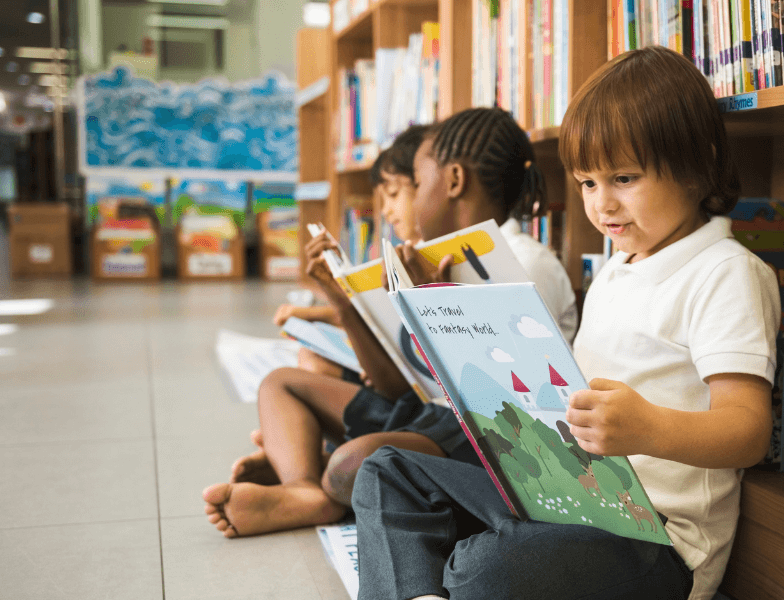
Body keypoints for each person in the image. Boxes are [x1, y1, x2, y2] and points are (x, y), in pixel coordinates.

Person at [350, 46, 779, 600]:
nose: (603, 206)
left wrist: (647, 427)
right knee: (387, 473)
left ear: (700, 163)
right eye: (587, 183)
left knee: (487, 568)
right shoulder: (616, 270)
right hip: (564, 498)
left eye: (623, 178)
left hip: (654, 541)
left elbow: (747, 429)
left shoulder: (726, 272)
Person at [202, 111, 576, 537]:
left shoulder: (525, 263)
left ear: (453, 181)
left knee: (352, 463)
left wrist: (435, 305)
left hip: (484, 438)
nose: (411, 200)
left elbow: (510, 402)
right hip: (426, 413)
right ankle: (303, 489)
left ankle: (317, 478)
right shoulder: (431, 256)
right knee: (279, 384)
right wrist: (344, 303)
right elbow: (396, 389)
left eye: (417, 180)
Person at [276, 127, 430, 380]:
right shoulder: (405, 252)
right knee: (303, 363)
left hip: (405, 382)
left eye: (392, 195)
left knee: (297, 374)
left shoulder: (424, 256)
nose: (386, 212)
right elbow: (380, 315)